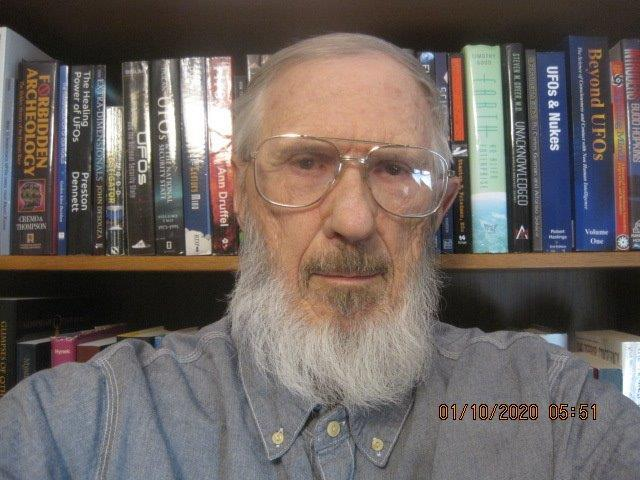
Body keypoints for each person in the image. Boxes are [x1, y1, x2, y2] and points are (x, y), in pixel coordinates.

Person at [1, 32, 639, 479]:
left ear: (440, 208)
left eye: (395, 169)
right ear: (241, 195)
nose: (353, 221)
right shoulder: (77, 423)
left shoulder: (549, 408)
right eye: (306, 162)